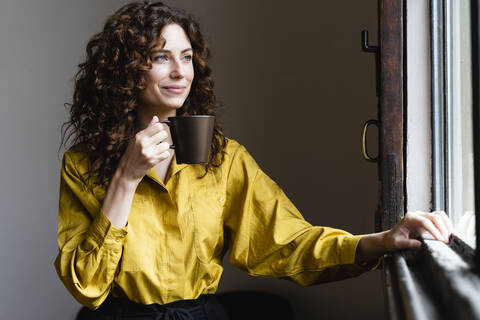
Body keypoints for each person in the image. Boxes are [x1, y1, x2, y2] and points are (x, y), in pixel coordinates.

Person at [54, 1, 453, 319]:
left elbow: (288, 243)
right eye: (161, 57)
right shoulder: (82, 165)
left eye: (187, 57)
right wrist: (126, 178)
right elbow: (86, 285)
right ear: (127, 69)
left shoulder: (224, 158)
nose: (180, 72)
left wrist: (380, 242)